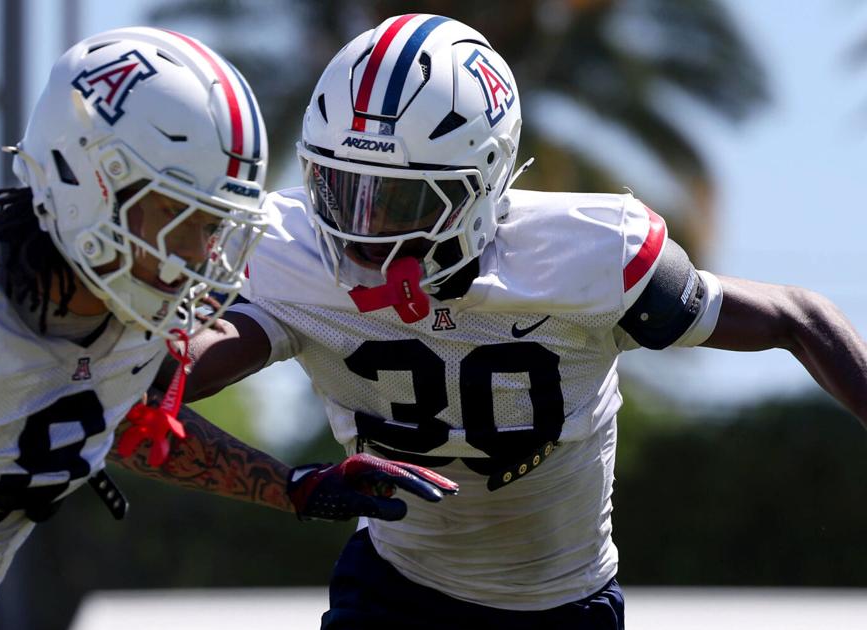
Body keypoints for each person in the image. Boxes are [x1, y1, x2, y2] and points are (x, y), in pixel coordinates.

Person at [0, 27, 457, 629]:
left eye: (215, 225)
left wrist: (295, 485)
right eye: (179, 215)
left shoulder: (126, 314)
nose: (200, 254)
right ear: (87, 181)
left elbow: (117, 419)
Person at [177, 13, 867, 629]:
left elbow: (798, 316)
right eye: (342, 189)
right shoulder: (288, 252)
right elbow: (162, 385)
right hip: (393, 591)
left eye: (400, 202)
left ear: (482, 184)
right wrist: (288, 480)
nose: (364, 229)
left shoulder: (587, 254)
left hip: (564, 606)